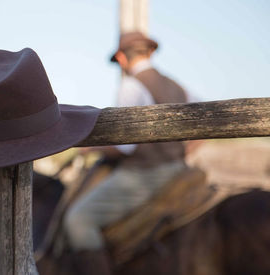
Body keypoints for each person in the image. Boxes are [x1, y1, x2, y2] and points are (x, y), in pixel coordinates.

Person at [63, 31, 190, 274]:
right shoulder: (176, 85)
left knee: (78, 220)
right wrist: (180, 150)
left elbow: (125, 148)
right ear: (150, 52)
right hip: (179, 169)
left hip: (146, 174)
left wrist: (89, 149)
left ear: (121, 58)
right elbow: (205, 128)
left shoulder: (130, 86)